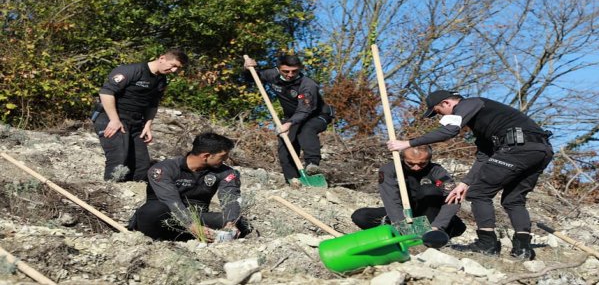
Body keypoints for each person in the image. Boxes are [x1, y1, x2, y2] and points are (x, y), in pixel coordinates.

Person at [387, 90, 553, 260]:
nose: (439, 116)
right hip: (541, 151)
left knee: (479, 194)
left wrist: (407, 143)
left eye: (437, 111)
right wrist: (465, 183)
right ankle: (523, 248)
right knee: (513, 200)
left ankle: (487, 244)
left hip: (517, 148)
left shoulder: (470, 103)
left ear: (446, 103)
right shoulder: (484, 123)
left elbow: (449, 131)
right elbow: (484, 156)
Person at [129, 132, 250, 242]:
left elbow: (230, 198)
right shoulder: (163, 169)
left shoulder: (226, 173)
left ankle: (204, 237)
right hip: (166, 216)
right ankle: (155, 239)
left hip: (198, 217)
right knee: (151, 211)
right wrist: (191, 225)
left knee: (240, 222)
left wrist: (231, 222)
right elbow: (171, 201)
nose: (225, 160)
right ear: (206, 156)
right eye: (222, 157)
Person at [93, 48, 188, 182]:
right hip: (112, 118)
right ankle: (111, 188)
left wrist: (148, 126)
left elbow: (153, 104)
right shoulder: (132, 70)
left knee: (141, 166)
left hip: (136, 122)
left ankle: (132, 192)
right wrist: (114, 120)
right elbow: (106, 93)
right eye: (173, 66)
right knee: (119, 157)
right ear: (162, 58)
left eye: (177, 69)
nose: (174, 71)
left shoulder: (161, 80)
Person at [243, 55, 334, 183]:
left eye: (294, 71)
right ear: (278, 68)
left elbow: (305, 109)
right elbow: (252, 78)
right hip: (292, 117)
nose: (290, 75)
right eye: (286, 71)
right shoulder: (272, 74)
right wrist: (247, 69)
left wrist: (289, 123)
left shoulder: (308, 85)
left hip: (316, 115)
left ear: (300, 69)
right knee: (285, 143)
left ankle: (312, 165)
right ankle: (292, 180)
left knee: (306, 129)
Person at [351, 145, 466, 244]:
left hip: (430, 214)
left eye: (422, 164)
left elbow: (452, 199)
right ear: (402, 158)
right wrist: (402, 226)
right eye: (410, 163)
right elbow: (391, 201)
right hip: (402, 213)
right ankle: (396, 233)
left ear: (429, 159)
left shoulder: (437, 171)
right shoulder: (390, 170)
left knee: (429, 191)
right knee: (361, 216)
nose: (416, 168)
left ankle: (430, 234)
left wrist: (437, 226)